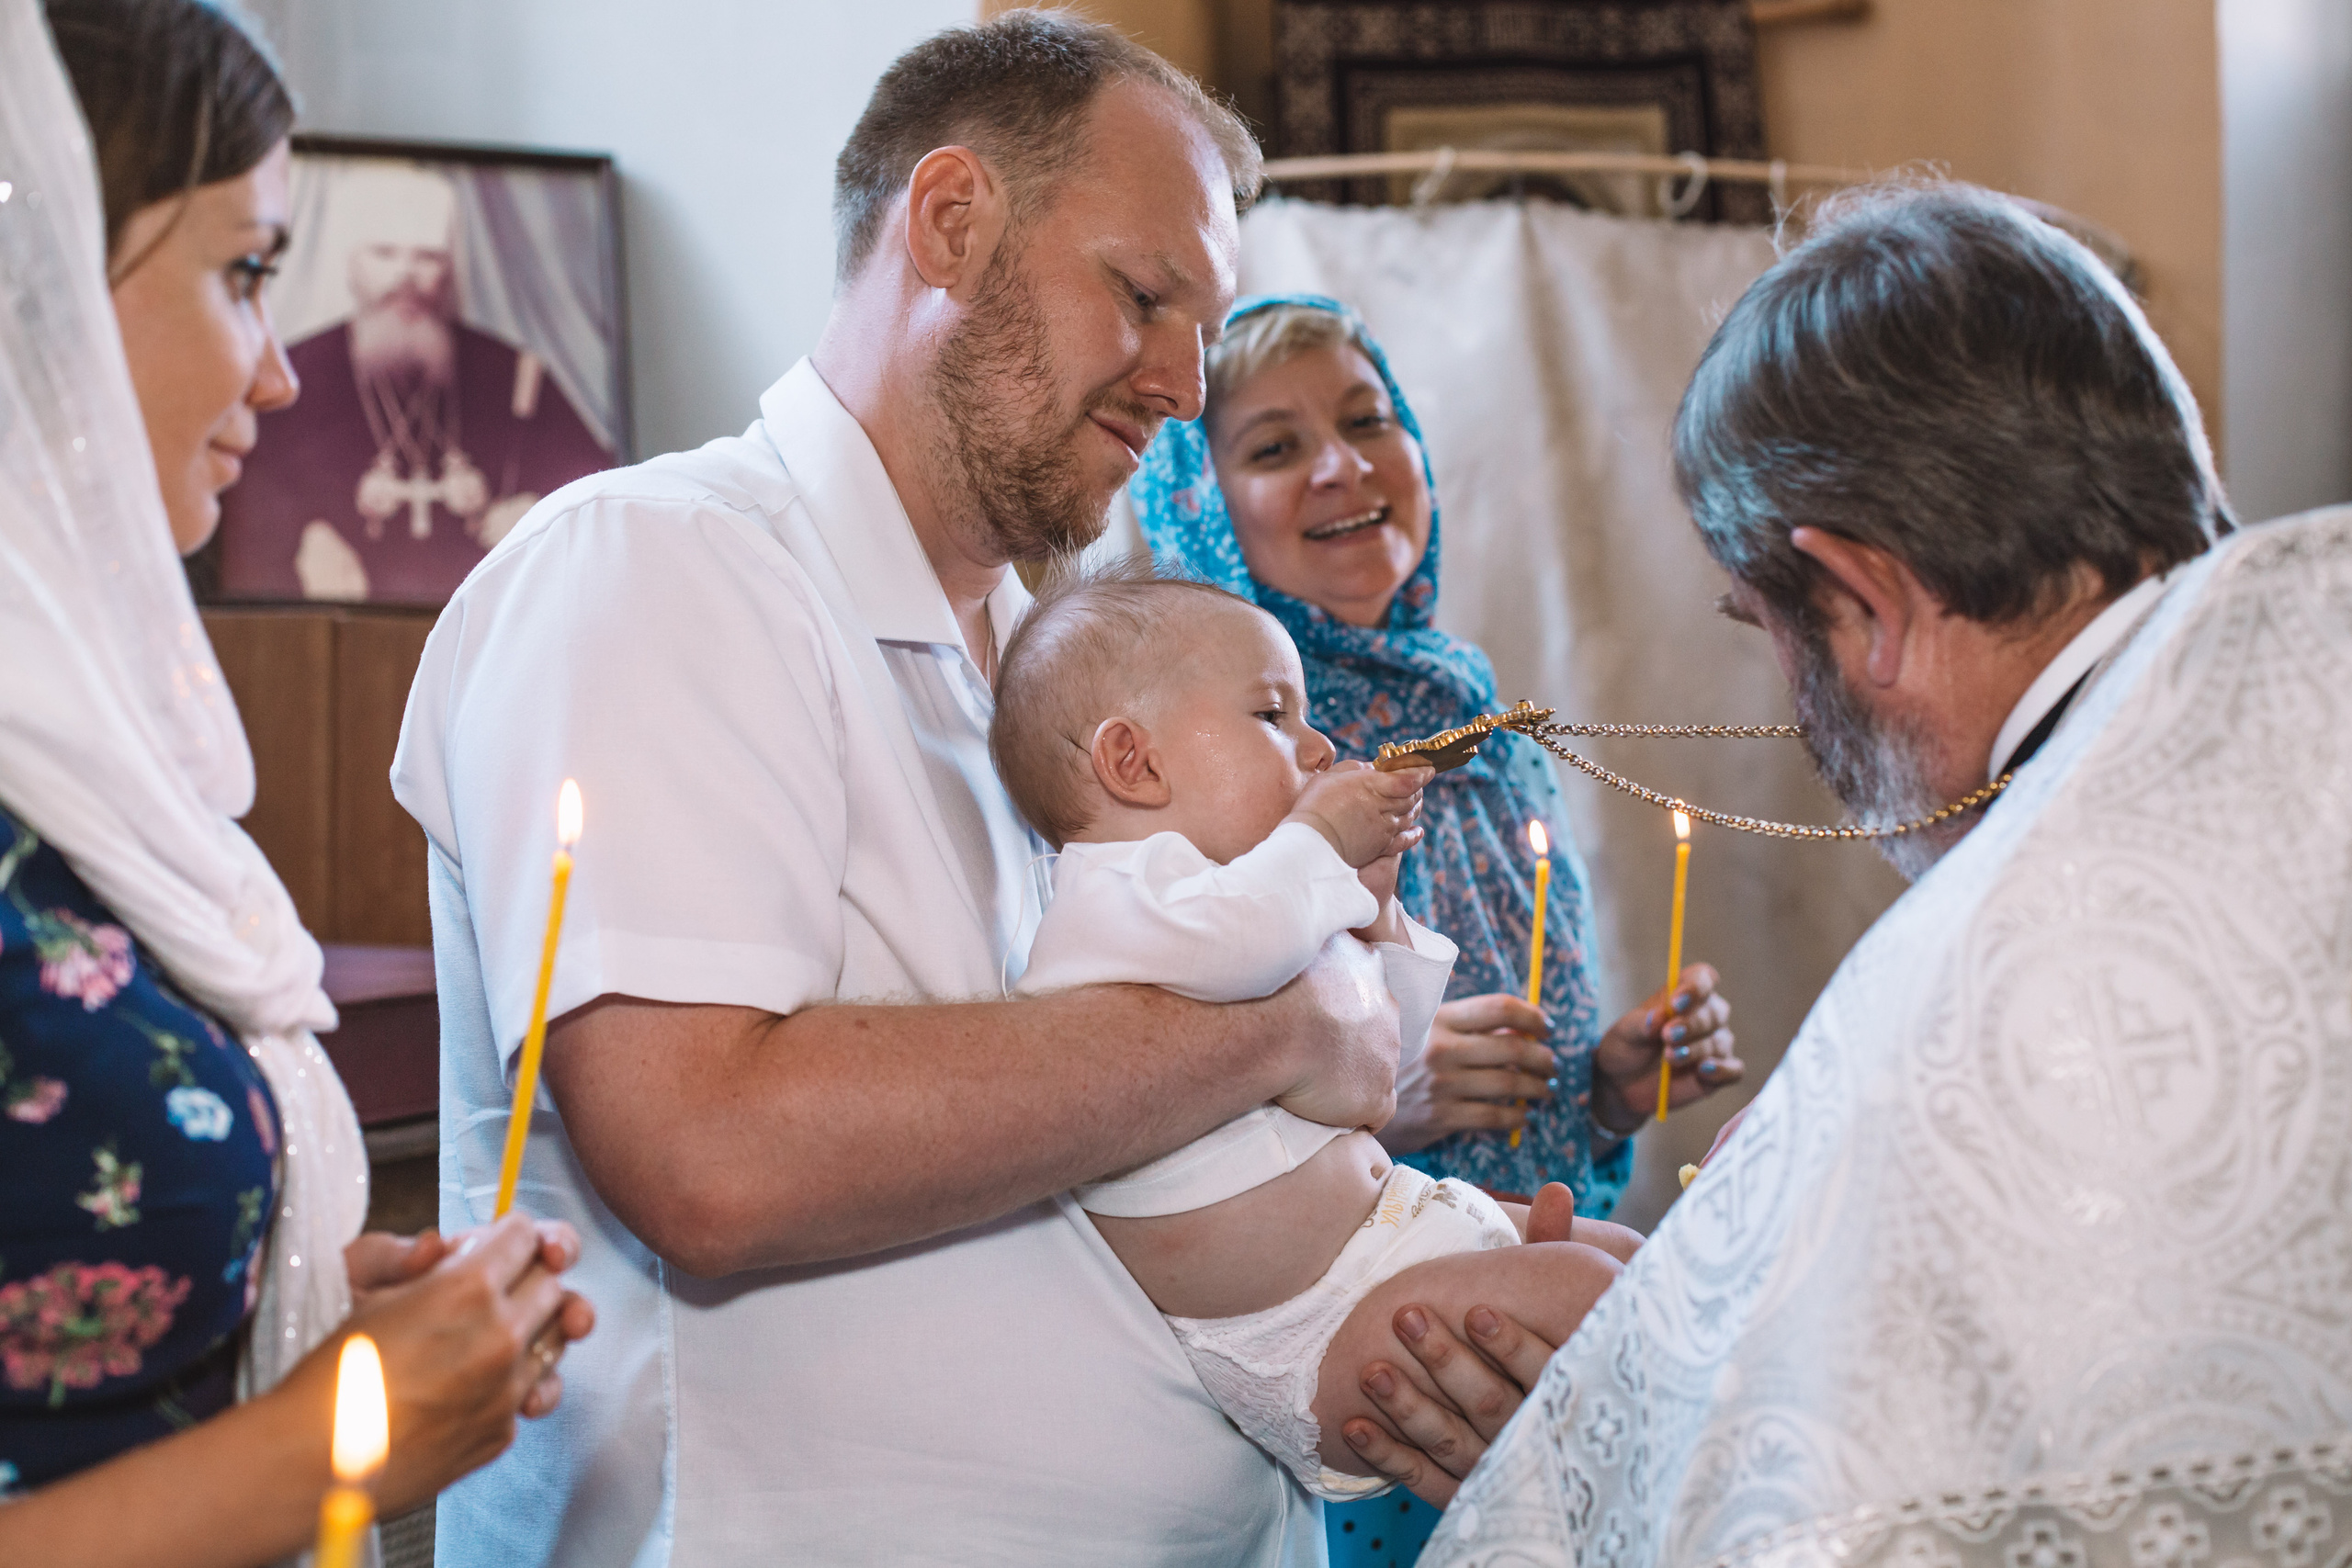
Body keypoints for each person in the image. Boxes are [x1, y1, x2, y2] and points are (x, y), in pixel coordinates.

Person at [390, 13, 1413, 1564]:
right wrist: (1277, 1023)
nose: (1185, 382)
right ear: (951, 222)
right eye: (1143, 296)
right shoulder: (657, 568)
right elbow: (710, 1157)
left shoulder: (1063, 660)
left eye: (1203, 324)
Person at [1412, 182, 2352, 1566]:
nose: (1791, 705)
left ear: (1870, 599)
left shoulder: (1971, 1000)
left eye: (1771, 632)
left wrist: (1635, 1418)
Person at [0, 3, 591, 1562]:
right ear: (34, 270)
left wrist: (275, 1319)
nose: (275, 376)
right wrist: (328, 1439)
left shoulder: (73, 732)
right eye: (245, 270)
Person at [1125, 297, 1742, 1556]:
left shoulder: (1482, 725)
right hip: (1352, 1368)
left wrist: (1609, 1089)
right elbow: (1146, 1117)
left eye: (1368, 420)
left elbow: (1540, 1115)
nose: (1346, 464)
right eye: (1276, 446)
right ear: (1199, 506)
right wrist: (1388, 1092)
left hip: (1518, 1293)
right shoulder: (1215, 765)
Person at [994, 566, 1640, 1500]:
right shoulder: (1111, 899)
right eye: (1271, 716)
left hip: (1396, 1235)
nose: (1317, 744)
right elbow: (1242, 948)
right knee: (1598, 1299)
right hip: (1311, 1330)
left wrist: (1373, 913)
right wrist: (1319, 849)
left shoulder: (1249, 902)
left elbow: (1385, 1058)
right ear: (1132, 763)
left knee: (1635, 1258)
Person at [218, 161, 616, 604]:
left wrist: (542, 516)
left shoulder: (517, 376)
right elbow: (239, 519)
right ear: (350, 265)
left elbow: (602, 496)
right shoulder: (291, 377)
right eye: (385, 254)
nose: (406, 275)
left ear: (448, 270)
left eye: (427, 256)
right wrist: (300, 542)